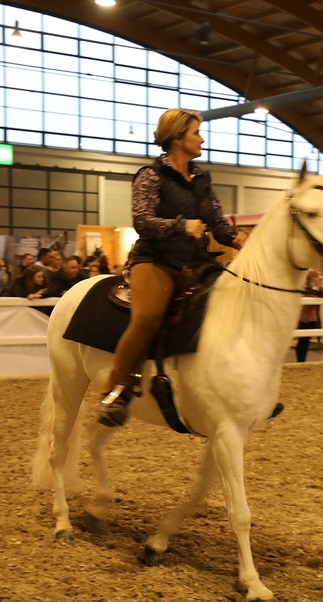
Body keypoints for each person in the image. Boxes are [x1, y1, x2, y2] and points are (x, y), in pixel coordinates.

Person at [98, 108, 246, 427]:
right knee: (148, 317)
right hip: (155, 260)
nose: (201, 138)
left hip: (196, 261)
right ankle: (116, 391)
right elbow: (142, 221)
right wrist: (181, 226)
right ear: (178, 139)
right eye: (196, 133)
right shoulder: (150, 176)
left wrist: (237, 240)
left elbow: (218, 224)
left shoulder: (203, 178)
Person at [296, 271, 323, 362]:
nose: (319, 279)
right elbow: (311, 296)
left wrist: (319, 286)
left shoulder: (318, 289)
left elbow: (322, 295)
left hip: (313, 319)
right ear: (311, 279)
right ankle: (300, 361)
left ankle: (302, 361)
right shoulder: (306, 289)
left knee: (306, 342)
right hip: (305, 319)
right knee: (302, 343)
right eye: (316, 277)